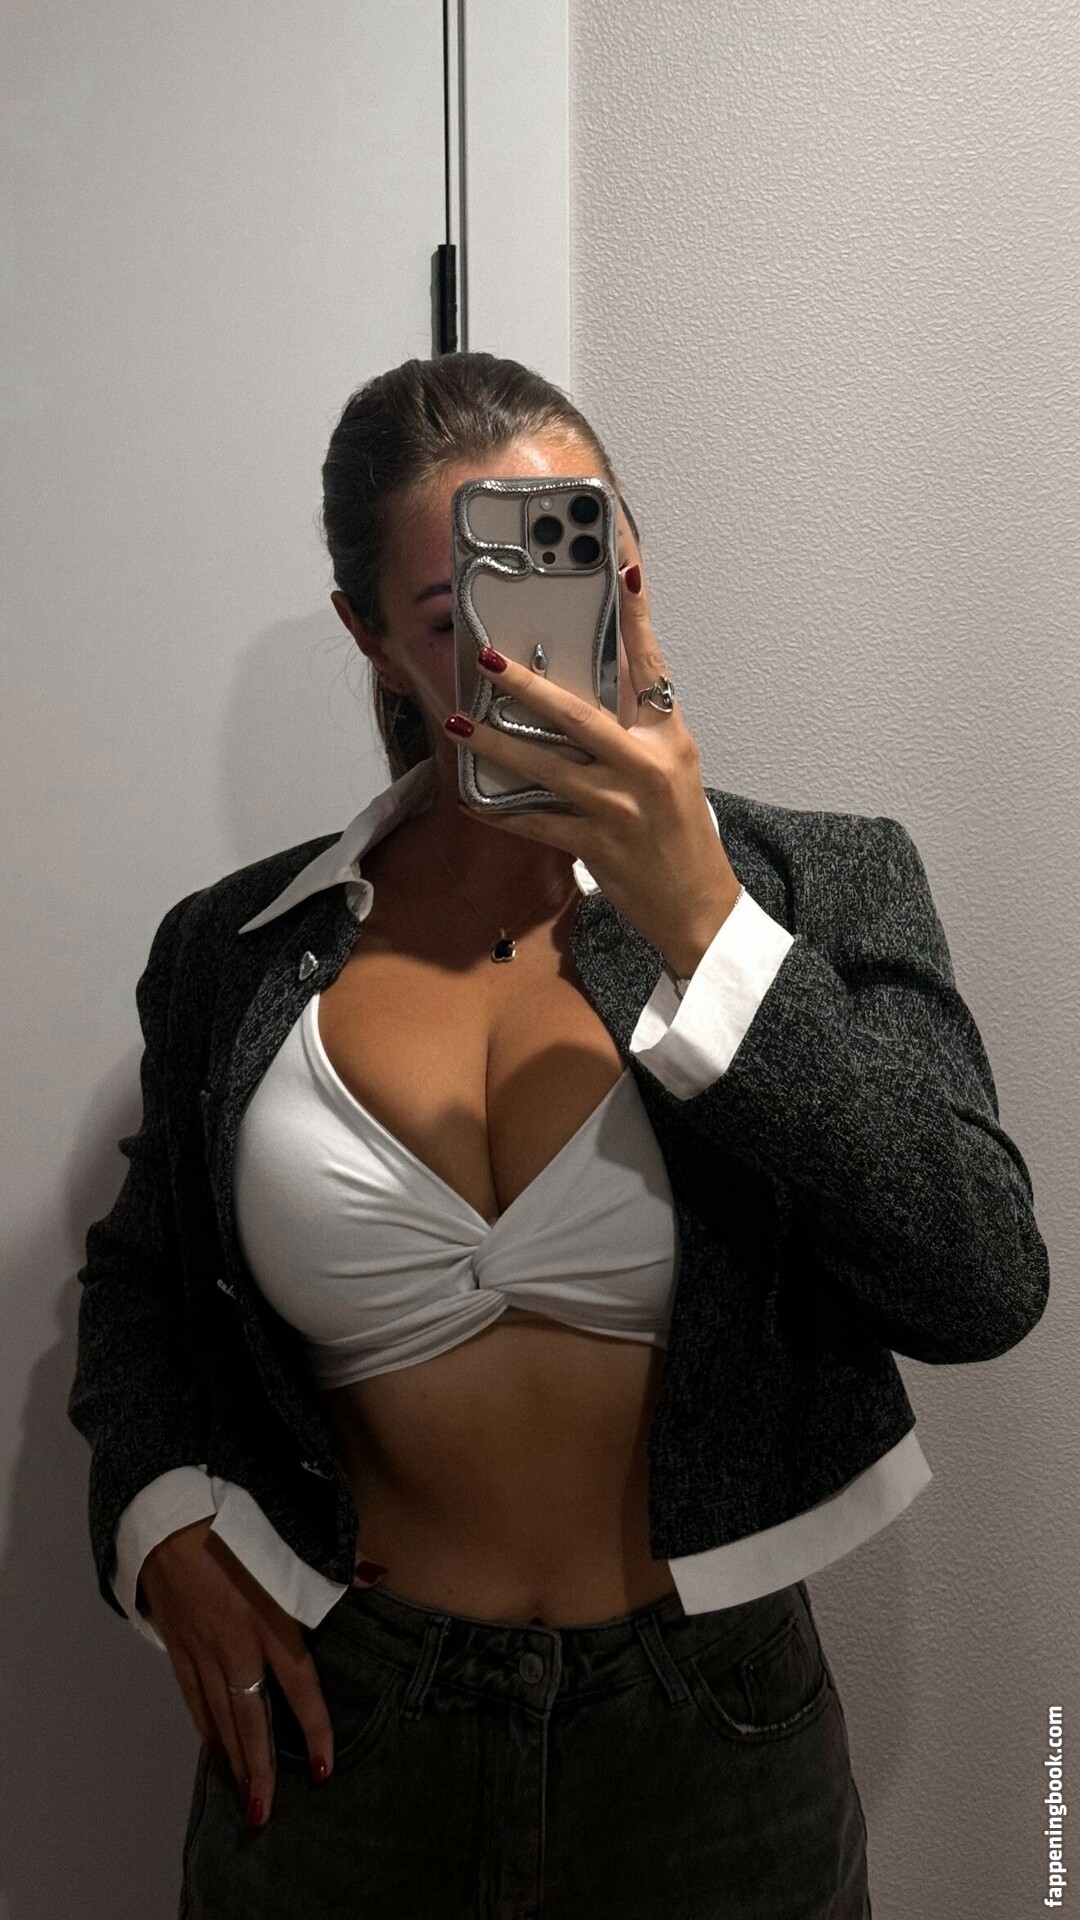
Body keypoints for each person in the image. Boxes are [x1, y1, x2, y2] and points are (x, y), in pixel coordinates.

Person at [68, 352, 1049, 1919]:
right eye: (456, 615)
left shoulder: (824, 885)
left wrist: (705, 925)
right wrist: (158, 1515)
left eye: (579, 571)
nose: (531, 654)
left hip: (713, 1738)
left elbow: (981, 1280)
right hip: (344, 1737)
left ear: (632, 571)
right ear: (373, 639)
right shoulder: (234, 953)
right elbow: (143, 1289)